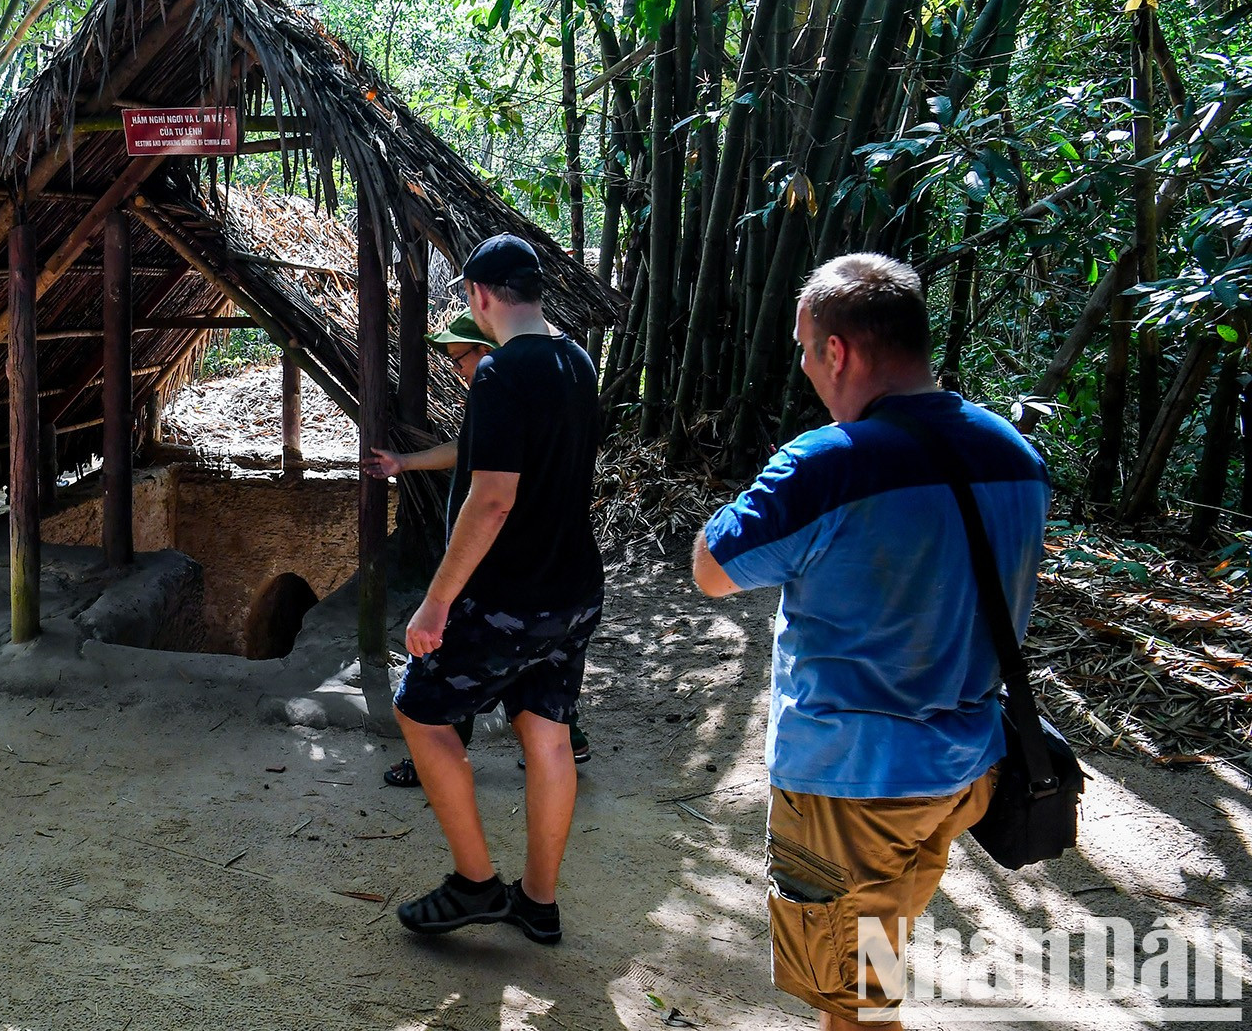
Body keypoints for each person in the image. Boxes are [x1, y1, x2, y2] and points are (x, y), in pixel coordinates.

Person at [691, 254, 1050, 1031]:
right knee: (872, 965)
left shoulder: (829, 464)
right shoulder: (1016, 457)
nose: (803, 364)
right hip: (960, 773)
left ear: (838, 351)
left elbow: (712, 569)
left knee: (853, 1005)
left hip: (854, 788)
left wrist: (788, 470)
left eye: (802, 346)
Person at [388, 235, 603, 946]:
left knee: (420, 713)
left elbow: (492, 500)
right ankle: (537, 901)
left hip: (511, 596)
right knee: (546, 732)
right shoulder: (577, 361)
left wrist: (437, 600)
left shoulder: (502, 373)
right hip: (573, 590)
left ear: (479, 296)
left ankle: (475, 883)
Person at [365, 308, 591, 788]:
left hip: (498, 571)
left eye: (459, 359)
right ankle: (566, 742)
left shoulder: (504, 385)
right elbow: (464, 447)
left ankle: (437, 759)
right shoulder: (550, 383)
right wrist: (402, 463)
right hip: (553, 575)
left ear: (485, 352)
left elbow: (491, 502)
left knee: (444, 658)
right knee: (533, 662)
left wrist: (440, 597)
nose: (458, 370)